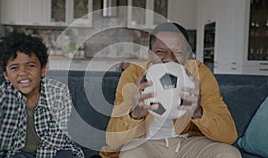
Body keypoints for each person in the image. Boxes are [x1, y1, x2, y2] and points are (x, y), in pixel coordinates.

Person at [100, 22, 241, 158]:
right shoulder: (134, 75)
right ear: (150, 55)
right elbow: (113, 141)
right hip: (143, 143)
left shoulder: (199, 74)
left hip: (187, 143)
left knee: (229, 154)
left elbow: (229, 136)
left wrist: (198, 112)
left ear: (187, 56)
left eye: (177, 52)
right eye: (160, 52)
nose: (169, 59)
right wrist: (136, 113)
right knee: (131, 155)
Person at [0, 33, 84, 158]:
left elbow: (57, 138)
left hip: (56, 151)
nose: (23, 73)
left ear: (43, 69)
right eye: (15, 68)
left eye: (30, 66)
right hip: (19, 154)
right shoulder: (2, 95)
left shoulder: (58, 92)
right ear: (6, 75)